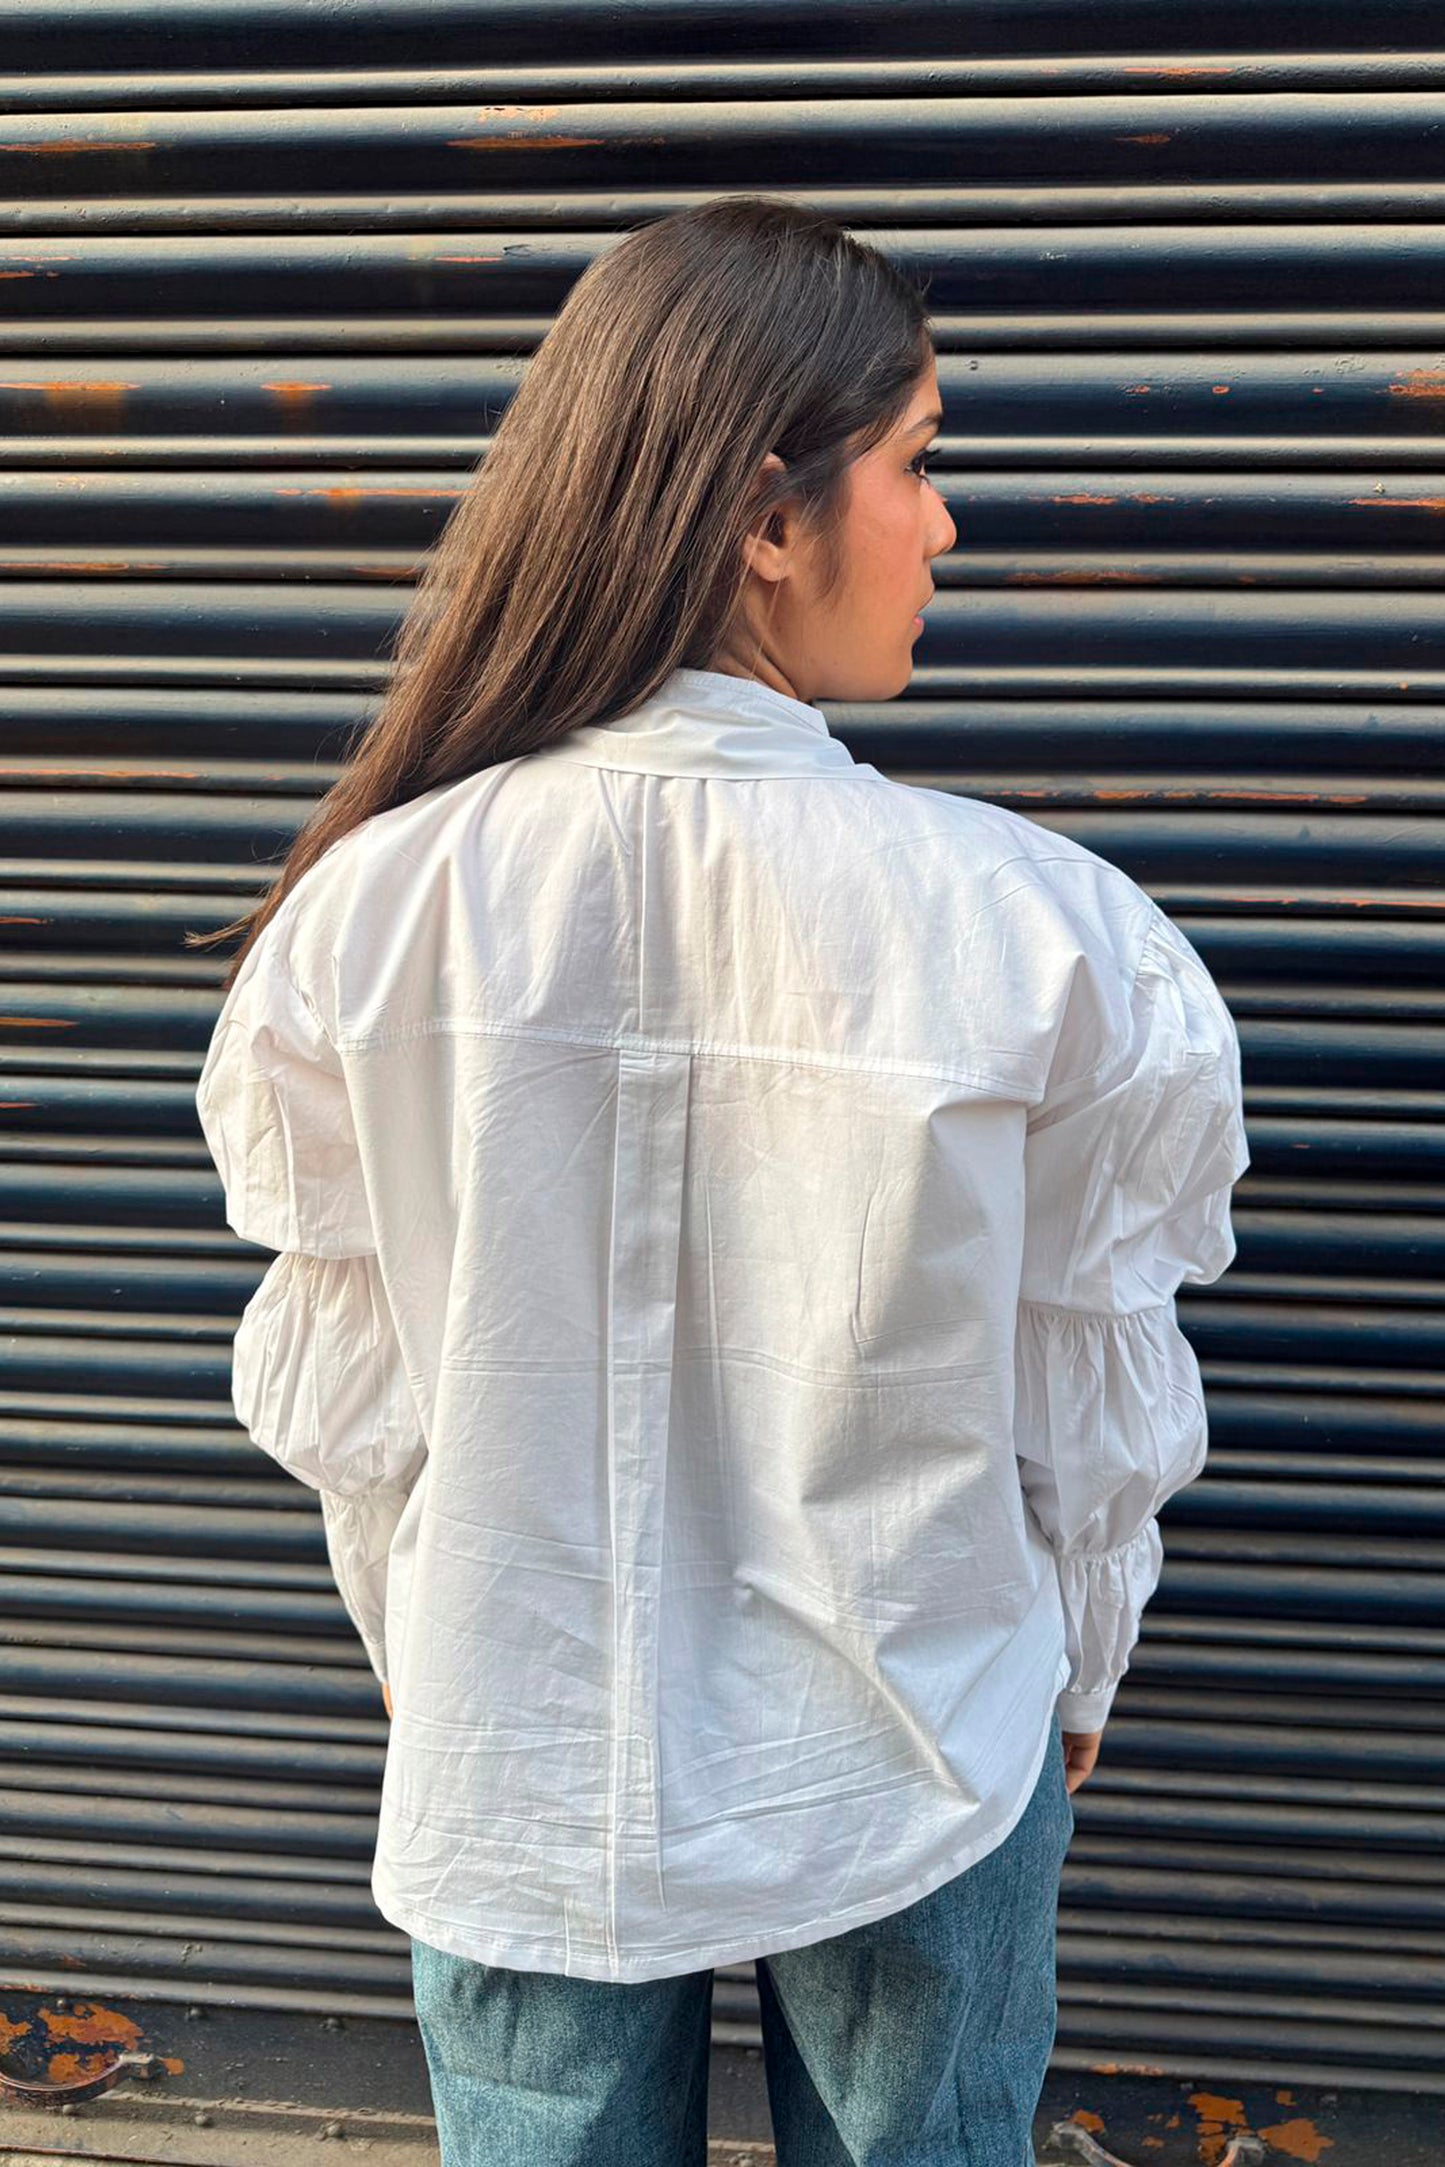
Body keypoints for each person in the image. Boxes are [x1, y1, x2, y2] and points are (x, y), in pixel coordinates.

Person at [190, 194, 1249, 2167]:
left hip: (524, 1745)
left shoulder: (376, 917)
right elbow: (1080, 1395)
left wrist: (444, 1655)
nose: (947, 528)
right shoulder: (1051, 937)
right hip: (926, 1735)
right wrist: (1081, 1660)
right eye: (920, 464)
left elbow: (356, 1413)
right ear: (770, 514)